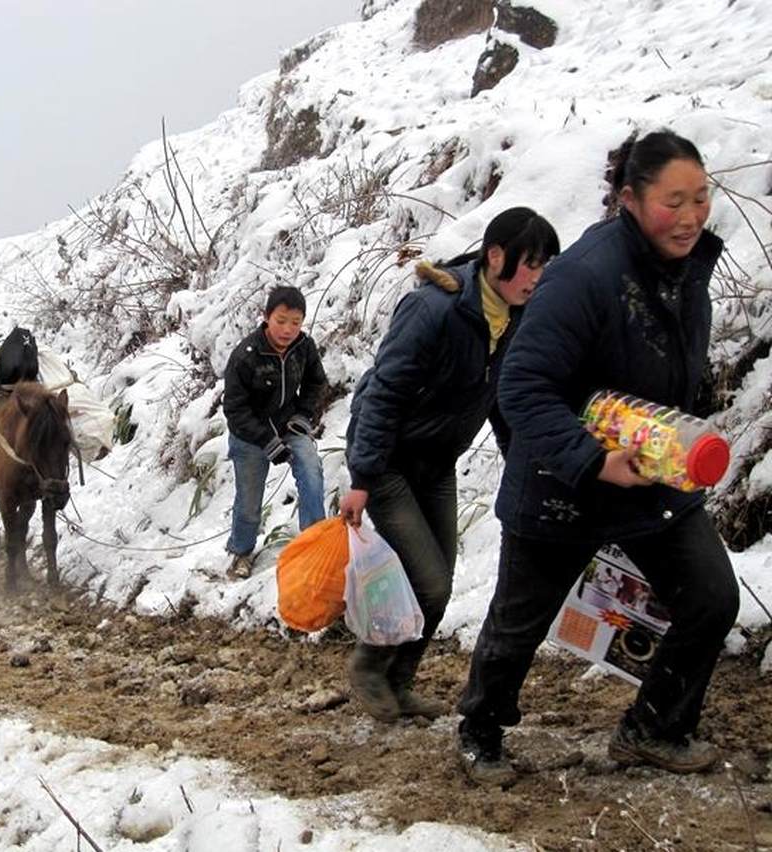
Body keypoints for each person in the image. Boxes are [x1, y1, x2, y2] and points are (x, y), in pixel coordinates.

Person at [456, 129, 739, 786]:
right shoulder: (584, 276)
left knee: (710, 595)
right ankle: (479, 729)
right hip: (564, 479)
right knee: (518, 622)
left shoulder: (682, 267)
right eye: (675, 200)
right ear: (632, 200)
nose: (693, 215)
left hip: (649, 471)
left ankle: (653, 727)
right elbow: (521, 384)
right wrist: (591, 459)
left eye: (701, 197)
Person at [341, 207, 560, 721]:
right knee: (429, 580)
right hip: (390, 462)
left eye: (544, 266)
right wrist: (363, 478)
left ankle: (400, 681)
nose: (537, 277)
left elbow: (504, 399)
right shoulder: (433, 309)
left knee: (441, 584)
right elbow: (384, 392)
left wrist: (523, 464)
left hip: (437, 462)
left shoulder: (512, 319)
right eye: (530, 265)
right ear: (496, 256)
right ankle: (370, 666)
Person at [222, 286, 328, 579]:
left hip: (289, 425)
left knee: (311, 473)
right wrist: (266, 442)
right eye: (281, 320)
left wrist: (303, 416)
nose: (288, 329)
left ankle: (315, 545)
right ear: (267, 317)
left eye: (295, 322)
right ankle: (241, 553)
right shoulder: (246, 355)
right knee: (249, 501)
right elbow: (234, 409)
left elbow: (315, 382)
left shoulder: (303, 347)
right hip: (250, 436)